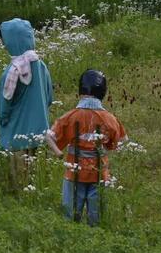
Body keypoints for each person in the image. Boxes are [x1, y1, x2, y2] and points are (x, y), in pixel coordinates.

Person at [45, 70, 127, 226]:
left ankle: (70, 239)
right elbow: (123, 140)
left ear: (80, 91)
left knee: (70, 215)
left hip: (74, 173)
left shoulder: (71, 116)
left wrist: (57, 152)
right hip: (100, 174)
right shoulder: (109, 118)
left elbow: (49, 136)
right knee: (97, 218)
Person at [0, 18, 54, 186]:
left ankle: (19, 204)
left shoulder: (14, 70)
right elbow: (49, 97)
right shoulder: (41, 66)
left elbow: (4, 103)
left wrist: (3, 120)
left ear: (13, 41)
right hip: (38, 132)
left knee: (19, 178)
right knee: (34, 174)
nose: (4, 45)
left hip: (16, 134)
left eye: (5, 40)